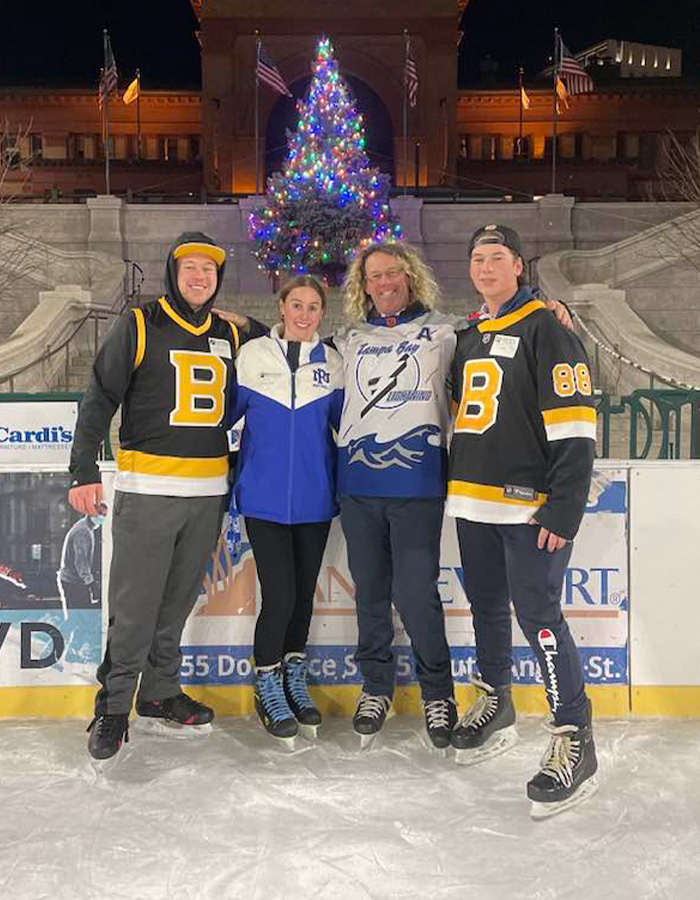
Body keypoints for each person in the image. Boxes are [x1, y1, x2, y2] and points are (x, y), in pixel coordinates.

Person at [68, 231, 265, 761]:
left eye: (209, 270)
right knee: (134, 609)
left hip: (207, 493)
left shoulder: (230, 333)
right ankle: (112, 708)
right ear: (173, 273)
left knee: (176, 604)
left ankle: (158, 692)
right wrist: (82, 469)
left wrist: (248, 323)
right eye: (190, 269)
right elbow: (99, 395)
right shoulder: (139, 323)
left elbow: (277, 341)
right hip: (149, 489)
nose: (200, 278)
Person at [446, 223, 597, 817]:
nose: (486, 267)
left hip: (528, 507)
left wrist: (564, 505)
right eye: (478, 258)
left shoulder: (546, 328)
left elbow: (576, 424)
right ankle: (497, 699)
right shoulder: (470, 334)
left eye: (497, 258)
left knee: (538, 616)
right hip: (473, 503)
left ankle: (573, 736)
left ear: (518, 267)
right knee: (486, 608)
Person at [228, 276, 343, 742]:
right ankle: (267, 684)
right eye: (297, 305)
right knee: (278, 598)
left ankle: (294, 678)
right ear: (281, 306)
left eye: (313, 307)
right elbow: (224, 416)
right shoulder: (252, 356)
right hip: (263, 499)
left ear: (322, 314)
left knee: (301, 600)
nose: (304, 315)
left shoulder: (333, 363)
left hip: (315, 501)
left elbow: (348, 427)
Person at [56, 507, 106, 618]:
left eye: (105, 514)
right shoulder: (83, 531)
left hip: (73, 580)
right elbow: (81, 561)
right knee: (81, 619)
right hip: (73, 581)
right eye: (101, 514)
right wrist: (91, 583)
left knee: (78, 618)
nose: (103, 517)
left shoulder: (87, 527)